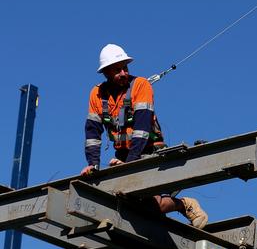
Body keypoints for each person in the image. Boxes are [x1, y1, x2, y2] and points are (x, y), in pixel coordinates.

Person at [81, 44, 208, 229]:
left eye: (125, 68)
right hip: (124, 157)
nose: (124, 73)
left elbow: (142, 129)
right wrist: (93, 165)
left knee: (154, 204)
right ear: (106, 72)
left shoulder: (141, 85)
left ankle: (186, 205)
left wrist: (131, 165)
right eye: (118, 70)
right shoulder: (97, 95)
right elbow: (92, 132)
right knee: (133, 206)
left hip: (151, 153)